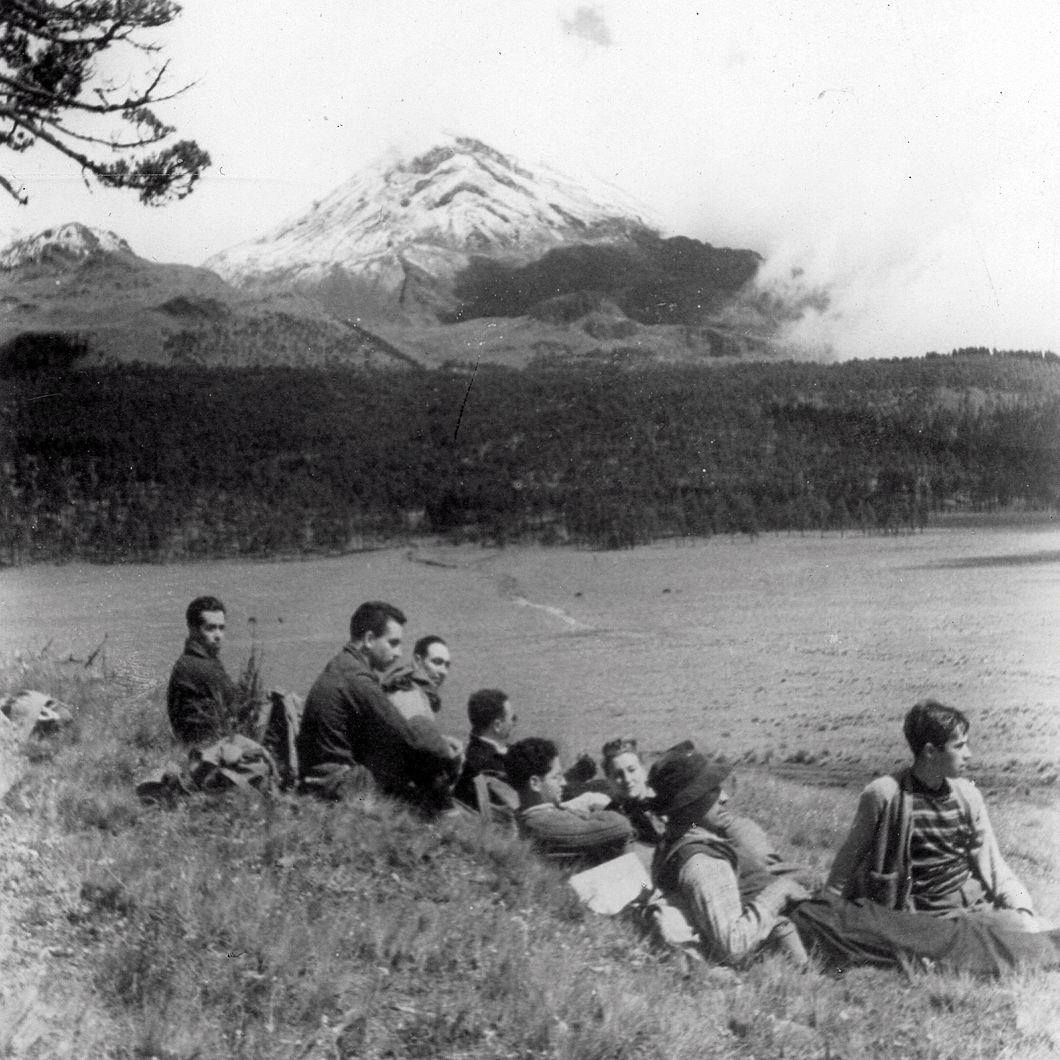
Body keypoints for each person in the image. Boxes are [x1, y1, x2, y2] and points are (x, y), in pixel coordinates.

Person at [825, 699, 1040, 931]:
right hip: (916, 916)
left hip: (972, 906)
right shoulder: (884, 794)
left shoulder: (968, 796)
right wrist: (826, 908)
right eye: (958, 746)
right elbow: (847, 863)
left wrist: (1022, 907)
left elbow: (992, 862)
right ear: (930, 751)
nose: (968, 754)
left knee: (1030, 933)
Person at [649, 746, 810, 966]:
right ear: (688, 804)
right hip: (811, 924)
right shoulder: (702, 862)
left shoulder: (677, 842)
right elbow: (732, 946)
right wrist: (781, 891)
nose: (724, 797)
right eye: (713, 790)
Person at [296, 601, 462, 807]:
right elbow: (406, 736)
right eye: (393, 643)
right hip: (341, 788)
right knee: (422, 795)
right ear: (369, 639)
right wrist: (446, 749)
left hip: (319, 780)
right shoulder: (358, 679)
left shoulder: (341, 665)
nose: (399, 653)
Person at [506, 737, 634, 865]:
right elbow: (620, 826)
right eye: (556, 777)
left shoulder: (528, 817)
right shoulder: (544, 824)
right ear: (535, 783)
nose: (562, 782)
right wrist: (592, 813)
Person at [167, 596, 238, 746]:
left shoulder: (194, 660)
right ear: (192, 629)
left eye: (221, 628)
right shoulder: (198, 666)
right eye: (211, 628)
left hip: (205, 741)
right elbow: (239, 705)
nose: (218, 635)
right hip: (206, 748)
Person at [453, 688, 516, 806]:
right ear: (497, 725)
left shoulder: (476, 751)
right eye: (513, 718)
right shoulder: (487, 764)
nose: (515, 723)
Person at [601, 737, 665, 845]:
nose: (627, 779)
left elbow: (694, 823)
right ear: (609, 780)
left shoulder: (666, 798)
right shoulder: (610, 818)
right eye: (618, 774)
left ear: (643, 770)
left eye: (632, 770)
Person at [384, 634, 451, 719]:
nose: (443, 672)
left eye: (447, 665)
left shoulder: (417, 694)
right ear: (417, 660)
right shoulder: (408, 697)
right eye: (437, 662)